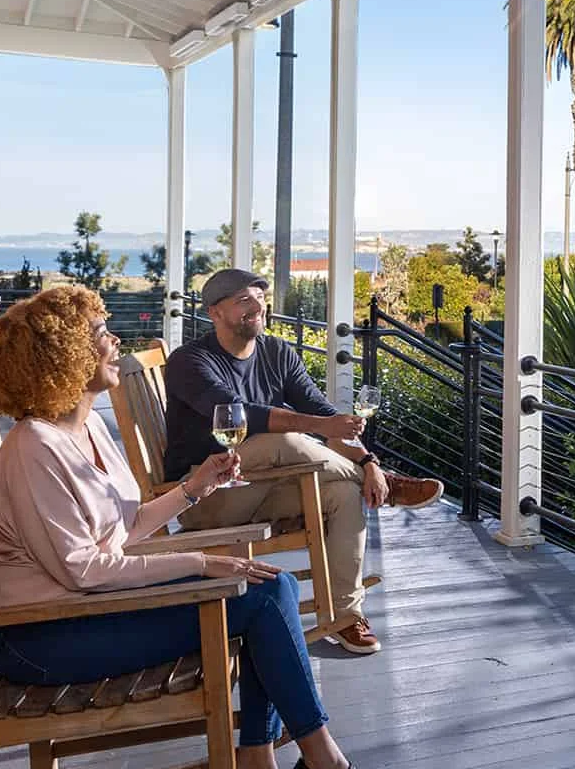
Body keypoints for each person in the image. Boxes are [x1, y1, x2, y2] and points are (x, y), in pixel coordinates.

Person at [0, 286, 396, 769]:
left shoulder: (84, 427)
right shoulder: (34, 448)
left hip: (85, 608)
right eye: (101, 333)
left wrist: (195, 488)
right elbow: (84, 570)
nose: (114, 339)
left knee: (269, 586)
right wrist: (201, 563)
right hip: (44, 634)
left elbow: (121, 530)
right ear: (65, 356)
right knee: (261, 597)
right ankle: (319, 764)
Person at [164, 269, 444, 655]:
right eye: (243, 300)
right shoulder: (189, 361)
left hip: (260, 487)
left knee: (344, 494)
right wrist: (323, 428)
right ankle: (393, 489)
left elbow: (323, 414)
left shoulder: (278, 352)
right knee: (283, 438)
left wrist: (369, 461)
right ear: (214, 313)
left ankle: (345, 615)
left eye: (260, 296)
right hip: (203, 495)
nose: (257, 305)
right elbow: (240, 415)